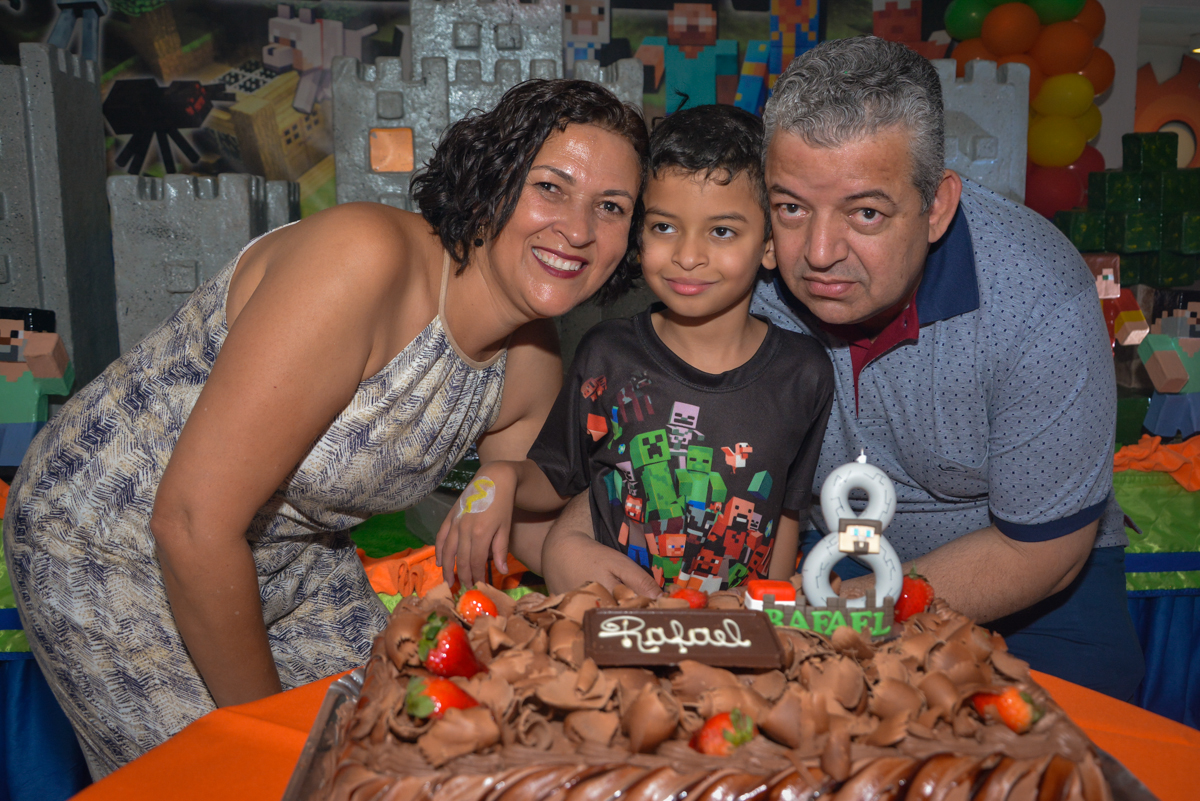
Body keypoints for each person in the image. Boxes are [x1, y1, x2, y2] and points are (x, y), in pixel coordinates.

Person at [2, 79, 648, 776]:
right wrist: (270, 741)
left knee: (398, 758)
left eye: (611, 207)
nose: (579, 229)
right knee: (251, 780)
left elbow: (521, 523)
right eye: (551, 187)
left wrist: (593, 560)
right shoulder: (362, 258)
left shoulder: (531, 364)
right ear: (493, 179)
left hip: (292, 550)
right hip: (110, 538)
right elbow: (189, 521)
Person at [746, 37, 1143, 699]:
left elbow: (1042, 552)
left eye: (865, 212)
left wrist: (865, 607)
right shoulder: (742, 273)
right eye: (790, 206)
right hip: (827, 558)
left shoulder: (1039, 296)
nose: (816, 253)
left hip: (1035, 587)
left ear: (936, 207)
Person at [438, 105, 833, 597]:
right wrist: (503, 476)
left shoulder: (805, 373)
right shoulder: (607, 355)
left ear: (770, 245)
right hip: (610, 616)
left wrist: (767, 609)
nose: (688, 256)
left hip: (731, 634)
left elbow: (785, 513)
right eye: (664, 227)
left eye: (722, 231)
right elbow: (558, 477)